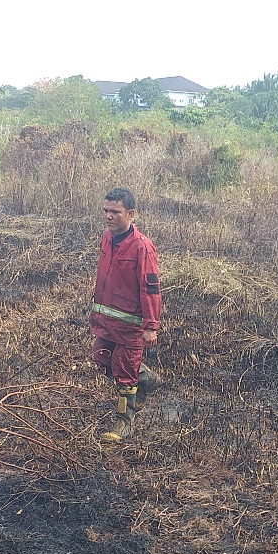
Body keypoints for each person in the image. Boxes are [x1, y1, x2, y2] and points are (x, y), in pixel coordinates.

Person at [90, 188, 162, 442]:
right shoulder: (106, 238)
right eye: (106, 211)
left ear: (130, 214)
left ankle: (124, 423)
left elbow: (150, 288)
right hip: (106, 320)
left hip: (131, 324)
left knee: (124, 370)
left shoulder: (142, 247)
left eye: (115, 212)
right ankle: (146, 378)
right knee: (100, 357)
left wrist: (151, 326)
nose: (108, 216)